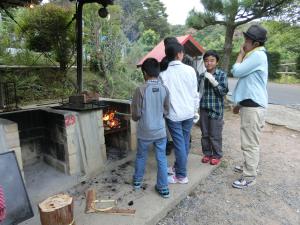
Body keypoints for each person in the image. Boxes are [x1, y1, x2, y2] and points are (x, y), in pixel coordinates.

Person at [231, 24, 268, 189]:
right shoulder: (254, 55)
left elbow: (236, 72)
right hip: (251, 105)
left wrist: (240, 55)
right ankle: (249, 166)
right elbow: (248, 84)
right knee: (250, 140)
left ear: (256, 43)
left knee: (250, 142)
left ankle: (249, 176)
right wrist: (239, 104)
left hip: (253, 107)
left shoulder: (256, 56)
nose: (244, 42)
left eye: (247, 39)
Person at [160, 42, 199, 184]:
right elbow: (195, 93)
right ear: (179, 54)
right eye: (182, 52)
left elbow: (163, 98)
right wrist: (195, 111)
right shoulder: (190, 70)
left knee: (179, 144)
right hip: (189, 113)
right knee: (183, 142)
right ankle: (178, 167)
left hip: (174, 115)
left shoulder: (163, 74)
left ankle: (181, 175)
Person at [131, 58, 171, 198]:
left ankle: (137, 181)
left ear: (145, 73)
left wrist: (137, 118)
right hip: (160, 131)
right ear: (158, 72)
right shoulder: (164, 89)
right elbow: (167, 111)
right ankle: (164, 188)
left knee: (141, 156)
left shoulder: (140, 90)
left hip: (144, 131)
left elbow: (135, 114)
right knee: (161, 158)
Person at [199, 50, 228, 165]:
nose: (209, 63)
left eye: (212, 60)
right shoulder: (201, 76)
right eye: (206, 61)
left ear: (217, 62)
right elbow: (198, 93)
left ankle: (216, 155)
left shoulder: (221, 75)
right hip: (204, 108)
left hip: (216, 109)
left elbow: (223, 92)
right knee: (204, 134)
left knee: (215, 134)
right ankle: (207, 153)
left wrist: (213, 81)